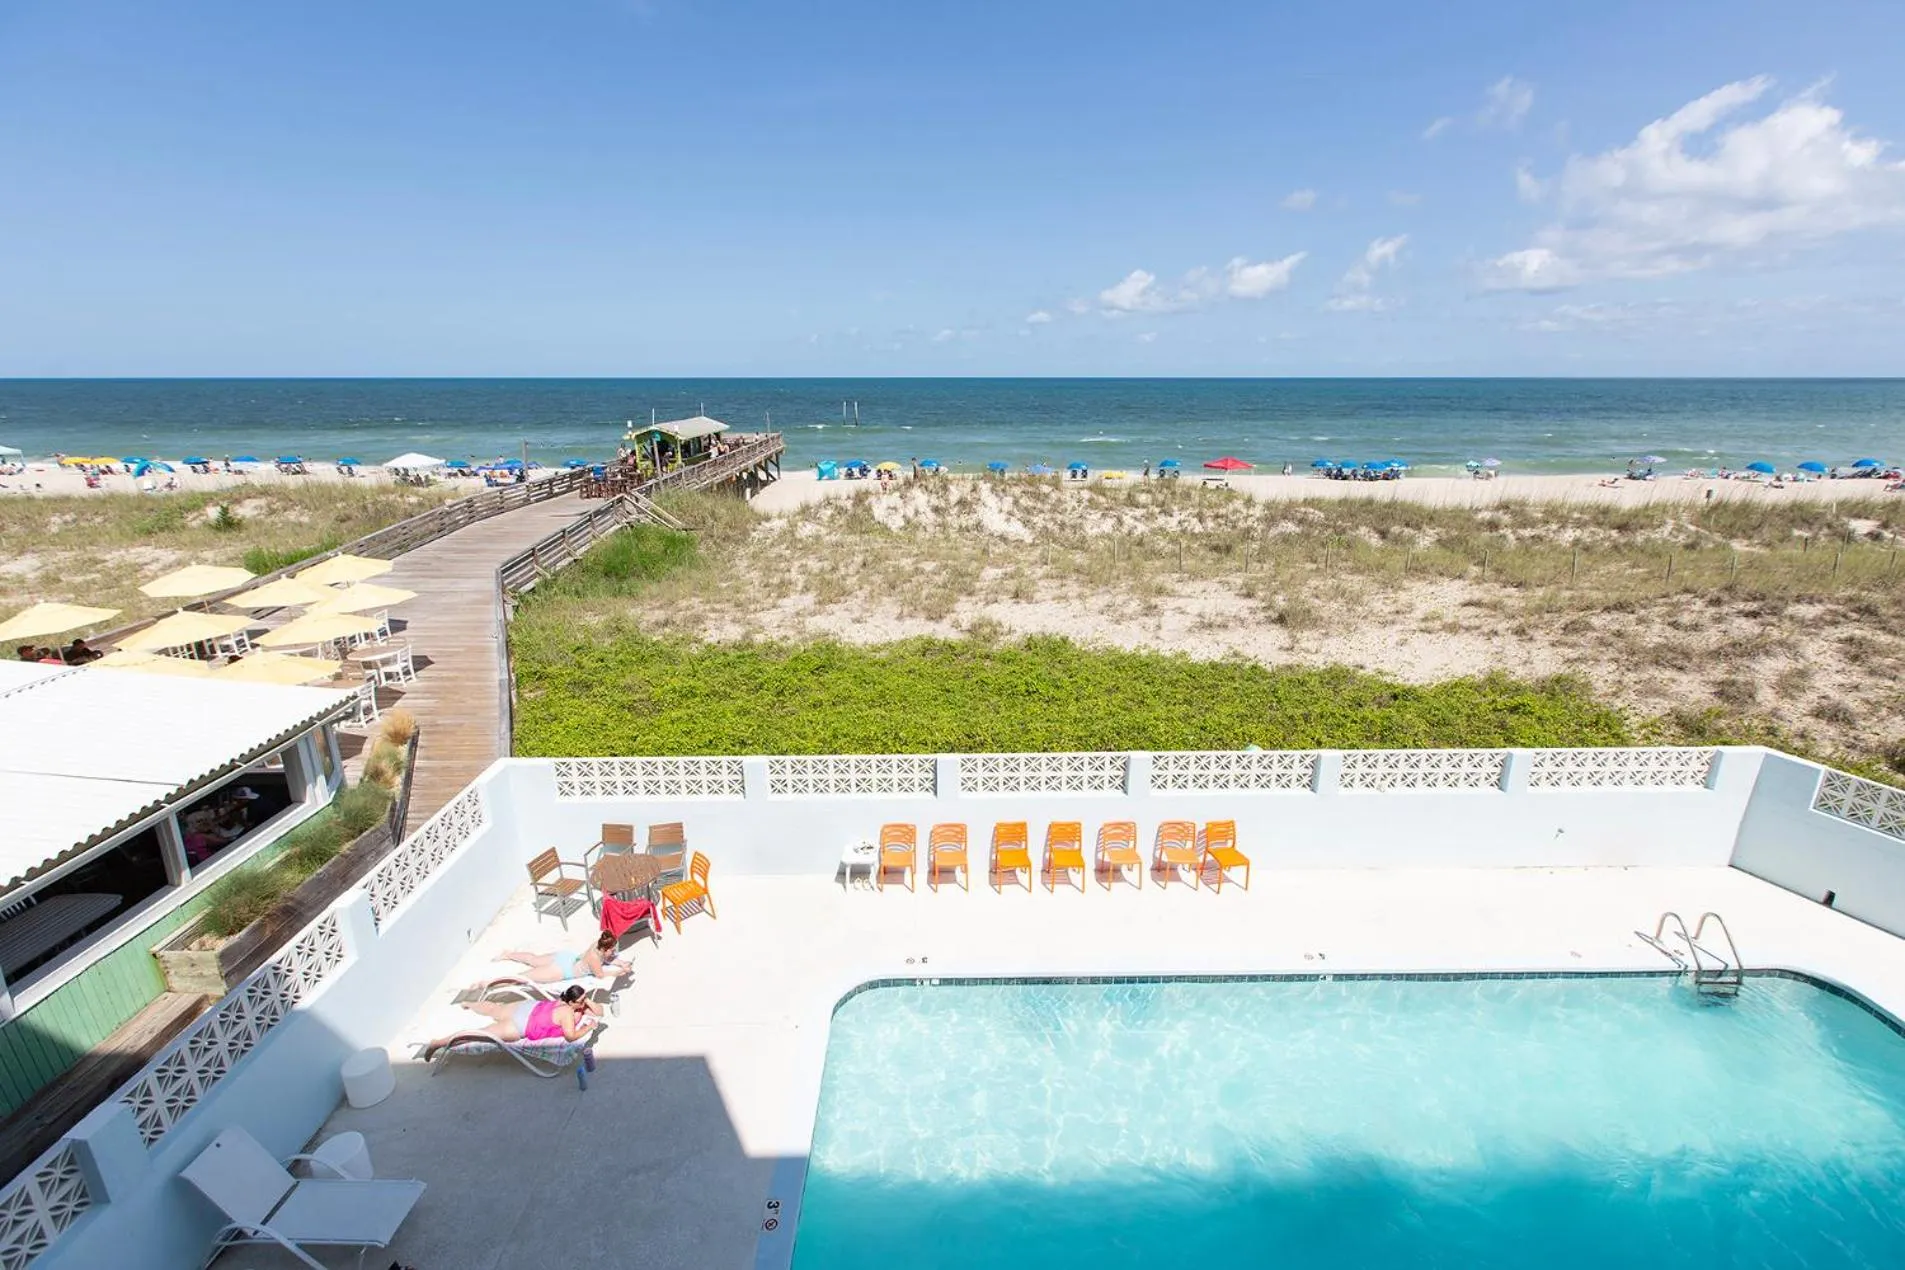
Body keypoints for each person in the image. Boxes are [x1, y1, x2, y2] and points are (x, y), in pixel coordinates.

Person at [422, 985, 599, 1059]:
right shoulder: (568, 1012)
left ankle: (468, 1004)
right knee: (480, 1034)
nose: (584, 1004)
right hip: (521, 1026)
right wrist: (588, 1027)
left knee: (494, 1009)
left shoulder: (565, 1001)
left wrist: (586, 1000)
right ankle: (437, 1043)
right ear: (571, 1002)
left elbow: (599, 1010)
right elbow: (570, 1036)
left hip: (528, 1008)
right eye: (581, 1001)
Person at [496, 932, 633, 983]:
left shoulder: (597, 945)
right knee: (523, 977)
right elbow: (600, 975)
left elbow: (608, 958)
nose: (614, 952)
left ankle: (507, 954)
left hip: (566, 958)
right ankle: (490, 983)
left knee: (534, 959)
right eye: (612, 950)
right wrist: (619, 971)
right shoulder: (595, 959)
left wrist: (621, 962)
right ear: (605, 949)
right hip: (563, 970)